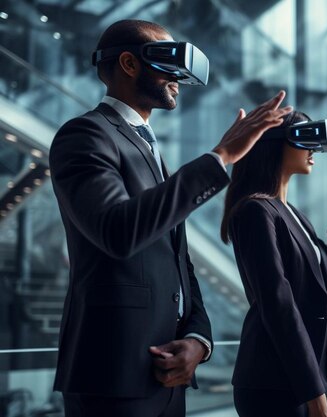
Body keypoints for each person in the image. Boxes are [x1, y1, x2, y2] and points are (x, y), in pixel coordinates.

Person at [49, 19, 292, 417]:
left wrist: (199, 338)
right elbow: (117, 231)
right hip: (113, 374)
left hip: (167, 375)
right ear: (129, 64)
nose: (179, 79)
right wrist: (221, 158)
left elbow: (177, 259)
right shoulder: (85, 135)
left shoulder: (150, 149)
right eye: (169, 63)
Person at [220, 111, 327, 416]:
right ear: (273, 144)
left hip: (305, 377)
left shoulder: (290, 213)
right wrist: (316, 398)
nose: (313, 150)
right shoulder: (256, 212)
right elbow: (278, 306)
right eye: (304, 138)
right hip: (274, 383)